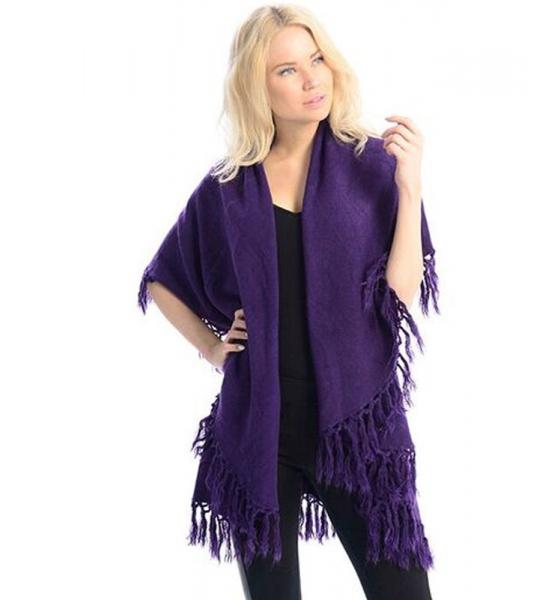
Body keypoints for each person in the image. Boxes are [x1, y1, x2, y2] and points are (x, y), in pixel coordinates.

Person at [139, 5, 439, 599]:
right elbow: (162, 279)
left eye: (316, 60)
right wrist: (213, 348)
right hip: (260, 435)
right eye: (287, 70)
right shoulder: (228, 188)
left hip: (358, 432)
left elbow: (400, 294)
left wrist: (410, 189)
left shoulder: (371, 165)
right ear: (258, 87)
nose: (311, 79)